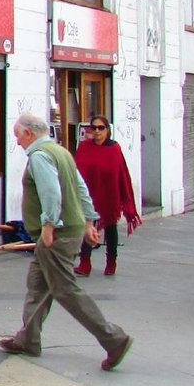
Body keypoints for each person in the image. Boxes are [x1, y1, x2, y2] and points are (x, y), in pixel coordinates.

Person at [0, 112, 133, 370]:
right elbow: (80, 186)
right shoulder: (60, 152)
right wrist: (90, 219)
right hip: (64, 230)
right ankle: (28, 338)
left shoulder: (40, 156)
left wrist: (49, 224)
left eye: (17, 136)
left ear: (29, 133)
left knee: (65, 290)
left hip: (56, 234)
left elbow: (51, 191)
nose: (17, 142)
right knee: (38, 285)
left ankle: (113, 338)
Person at [74, 115, 141, 277]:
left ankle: (111, 262)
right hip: (88, 194)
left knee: (110, 227)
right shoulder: (84, 147)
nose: (97, 131)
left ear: (107, 130)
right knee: (88, 226)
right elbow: (76, 170)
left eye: (101, 128)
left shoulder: (114, 148)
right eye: (94, 128)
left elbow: (120, 173)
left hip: (109, 194)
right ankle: (85, 262)